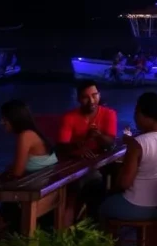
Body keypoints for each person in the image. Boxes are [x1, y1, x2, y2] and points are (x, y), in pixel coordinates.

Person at [100, 93, 157, 221]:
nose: (135, 117)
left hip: (138, 206)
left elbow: (125, 183)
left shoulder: (138, 143)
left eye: (136, 112)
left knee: (102, 207)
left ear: (146, 116)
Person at [57, 80, 118, 221]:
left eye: (94, 95)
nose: (91, 100)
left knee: (97, 185)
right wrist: (82, 144)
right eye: (86, 97)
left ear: (99, 95)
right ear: (78, 99)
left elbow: (110, 142)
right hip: (73, 165)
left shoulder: (109, 114)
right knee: (75, 192)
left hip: (100, 164)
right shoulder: (69, 117)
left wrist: (97, 136)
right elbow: (61, 147)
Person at [0, 100, 57, 179]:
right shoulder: (31, 132)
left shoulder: (25, 136)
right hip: (45, 178)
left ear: (15, 118)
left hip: (40, 183)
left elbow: (17, 173)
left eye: (5, 119)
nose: (1, 122)